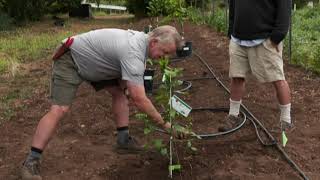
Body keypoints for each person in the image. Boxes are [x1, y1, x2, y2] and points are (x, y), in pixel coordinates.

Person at [21, 25, 185, 180]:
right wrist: (164, 124)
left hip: (97, 64)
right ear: (154, 42)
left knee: (119, 93)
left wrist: (126, 88)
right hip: (72, 59)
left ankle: (123, 140)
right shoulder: (133, 52)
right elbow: (139, 98)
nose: (164, 58)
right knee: (59, 109)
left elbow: (126, 82)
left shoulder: (141, 43)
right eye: (164, 52)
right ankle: (31, 161)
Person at [219, 0, 292, 132]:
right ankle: (233, 115)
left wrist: (276, 38)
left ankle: (286, 121)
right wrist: (231, 31)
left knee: (277, 79)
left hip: (264, 40)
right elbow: (233, 5)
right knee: (237, 77)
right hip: (238, 39)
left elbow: (284, 10)